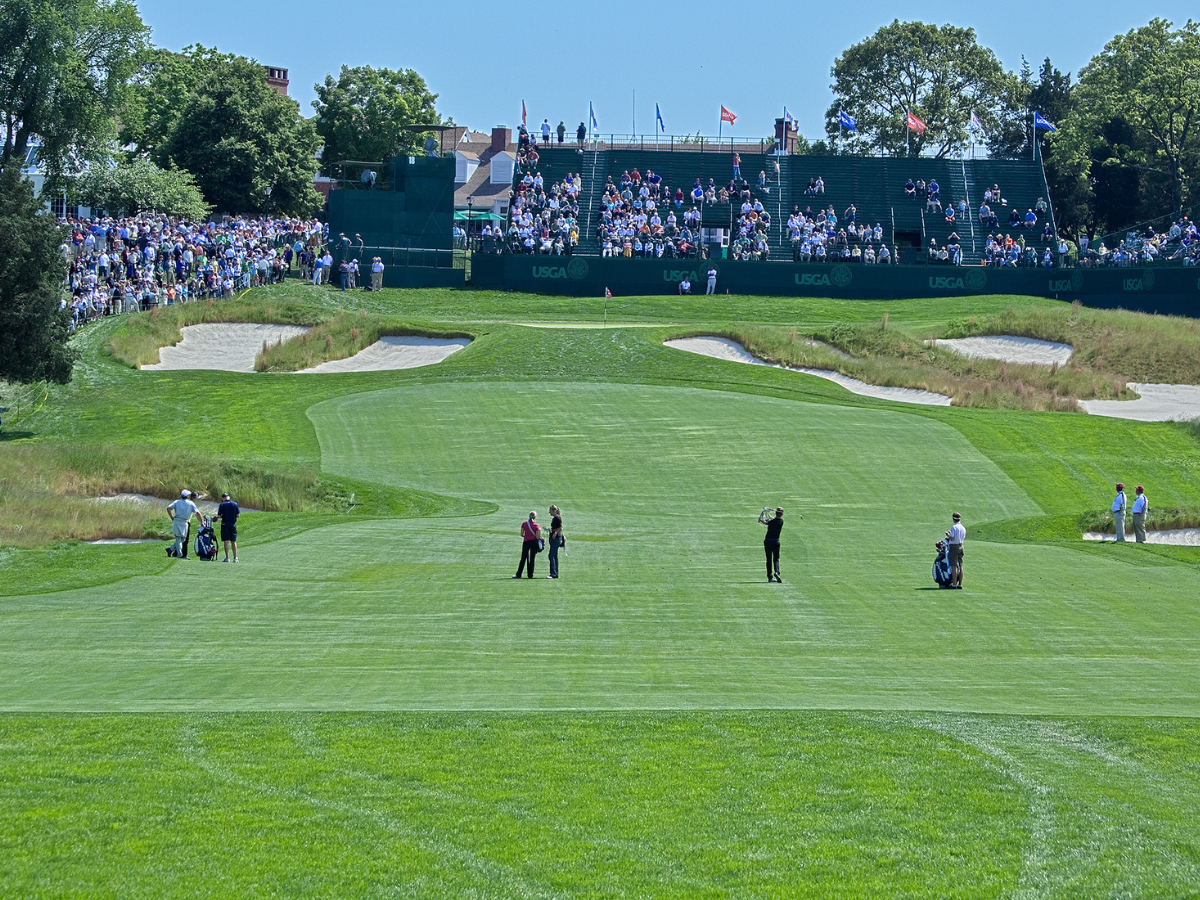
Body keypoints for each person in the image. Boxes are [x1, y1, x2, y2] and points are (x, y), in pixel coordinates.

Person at [166, 490, 203, 559]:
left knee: (182, 539)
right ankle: (179, 554)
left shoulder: (177, 502)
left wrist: (171, 517)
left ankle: (170, 549)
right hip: (184, 522)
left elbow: (168, 508)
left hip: (178, 521)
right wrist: (201, 522)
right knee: (179, 538)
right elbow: (197, 513)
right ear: (188, 496)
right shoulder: (190, 503)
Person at [514, 511, 541, 578]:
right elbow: (537, 537)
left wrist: (526, 536)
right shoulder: (536, 525)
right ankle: (530, 574)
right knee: (532, 558)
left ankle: (519, 574)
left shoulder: (524, 524)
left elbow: (521, 534)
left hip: (526, 542)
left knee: (523, 558)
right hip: (533, 542)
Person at [215, 492, 240, 562]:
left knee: (226, 541)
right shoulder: (234, 504)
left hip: (225, 524)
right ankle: (235, 558)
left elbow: (219, 515)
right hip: (232, 524)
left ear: (223, 498)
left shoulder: (222, 505)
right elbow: (237, 515)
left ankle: (227, 558)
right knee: (233, 541)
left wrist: (219, 517)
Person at [762, 507, 784, 582]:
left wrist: (764, 512)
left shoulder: (771, 522)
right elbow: (773, 519)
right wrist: (767, 513)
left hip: (768, 541)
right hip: (776, 541)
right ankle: (777, 572)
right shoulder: (781, 521)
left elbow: (761, 520)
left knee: (769, 559)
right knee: (776, 559)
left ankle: (770, 577)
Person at [945, 512, 965, 588]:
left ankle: (954, 584)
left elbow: (952, 538)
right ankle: (960, 584)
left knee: (954, 566)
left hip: (954, 547)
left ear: (953, 519)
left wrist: (948, 534)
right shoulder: (963, 527)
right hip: (961, 546)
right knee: (960, 565)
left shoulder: (954, 527)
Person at [547, 505, 565, 578]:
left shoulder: (557, 518)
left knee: (551, 556)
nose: (549, 512)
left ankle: (553, 573)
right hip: (556, 538)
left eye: (550, 511)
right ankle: (555, 573)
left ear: (554, 511)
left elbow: (560, 528)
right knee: (554, 556)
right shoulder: (556, 518)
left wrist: (555, 533)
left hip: (556, 539)